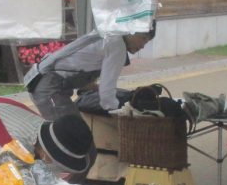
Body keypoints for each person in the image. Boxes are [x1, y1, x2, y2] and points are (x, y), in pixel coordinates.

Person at [23, 23, 155, 120]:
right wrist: (120, 112)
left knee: (69, 136)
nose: (143, 46)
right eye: (143, 38)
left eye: (147, 42)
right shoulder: (117, 46)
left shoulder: (109, 34)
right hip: (49, 87)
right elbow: (107, 95)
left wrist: (94, 88)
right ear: (131, 31)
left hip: (41, 80)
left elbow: (79, 64)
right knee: (71, 137)